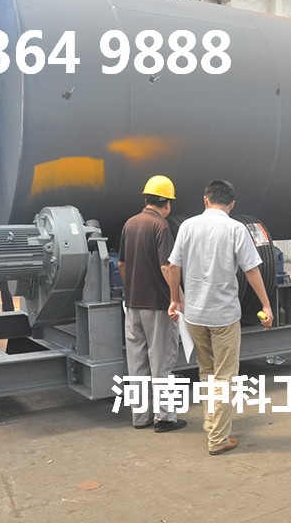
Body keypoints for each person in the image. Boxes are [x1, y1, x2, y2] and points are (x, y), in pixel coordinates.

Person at [166, 179, 273, 455]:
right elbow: (251, 270)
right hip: (224, 316)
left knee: (207, 371)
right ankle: (218, 439)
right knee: (225, 378)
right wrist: (266, 304)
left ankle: (212, 422)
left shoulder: (188, 226)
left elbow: (173, 266)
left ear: (205, 199)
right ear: (232, 204)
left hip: (195, 315)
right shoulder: (236, 229)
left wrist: (175, 299)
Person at [118, 175, 187, 433]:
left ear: (146, 199)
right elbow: (167, 267)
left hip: (132, 305)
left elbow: (122, 264)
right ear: (167, 203)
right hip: (157, 305)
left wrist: (132, 289)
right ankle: (165, 418)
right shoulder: (160, 226)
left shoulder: (130, 224)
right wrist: (176, 298)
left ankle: (140, 417)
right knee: (161, 361)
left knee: (137, 363)